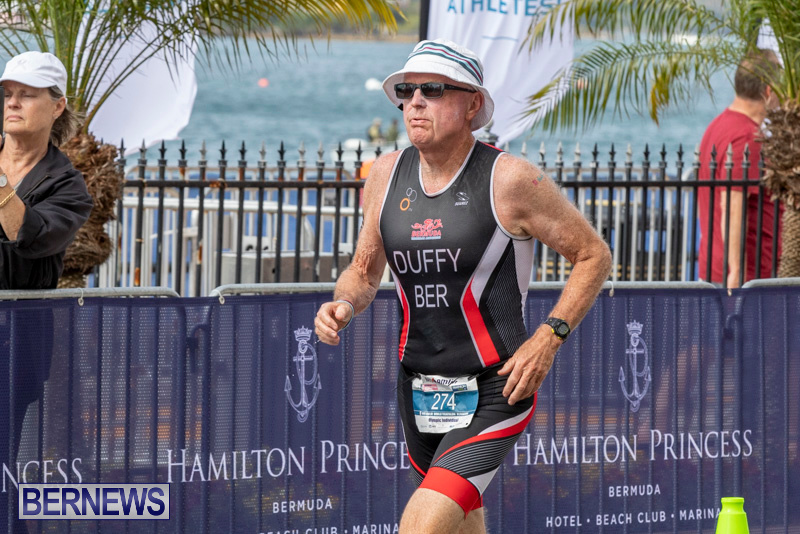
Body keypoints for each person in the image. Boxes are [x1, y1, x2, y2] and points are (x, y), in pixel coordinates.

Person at [315, 39, 611, 534]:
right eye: (407, 91)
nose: (415, 102)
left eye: (432, 89)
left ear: (472, 104)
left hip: (497, 386)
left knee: (420, 527)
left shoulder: (510, 180)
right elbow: (364, 272)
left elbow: (593, 255)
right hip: (419, 387)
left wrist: (548, 337)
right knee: (461, 520)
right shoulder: (385, 175)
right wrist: (342, 302)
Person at [0, 51, 93, 533]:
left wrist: (1, 185)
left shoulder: (68, 186)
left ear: (57, 107)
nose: (12, 103)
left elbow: (30, 236)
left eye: (27, 95)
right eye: (8, 94)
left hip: (13, 345)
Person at [697, 48, 783, 287]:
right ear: (769, 91)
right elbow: (733, 207)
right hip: (746, 278)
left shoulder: (718, 125)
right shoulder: (747, 137)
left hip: (717, 269)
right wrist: (736, 272)